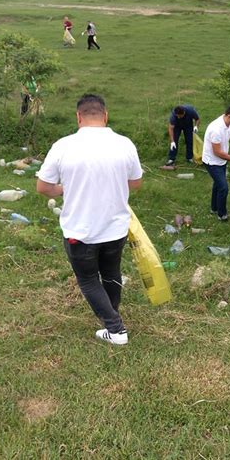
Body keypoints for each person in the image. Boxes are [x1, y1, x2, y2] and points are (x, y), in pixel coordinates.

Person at [36, 94, 143, 345]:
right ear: (105, 116)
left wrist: (65, 189)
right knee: (111, 272)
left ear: (78, 117)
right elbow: (136, 183)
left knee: (87, 279)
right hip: (115, 227)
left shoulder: (63, 146)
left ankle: (116, 329)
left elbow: (43, 187)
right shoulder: (124, 144)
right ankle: (111, 315)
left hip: (80, 229)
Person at [202, 103, 230, 221]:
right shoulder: (215, 129)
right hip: (212, 161)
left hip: (221, 161)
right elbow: (217, 152)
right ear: (229, 116)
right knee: (223, 187)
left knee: (217, 184)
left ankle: (214, 208)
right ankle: (222, 215)